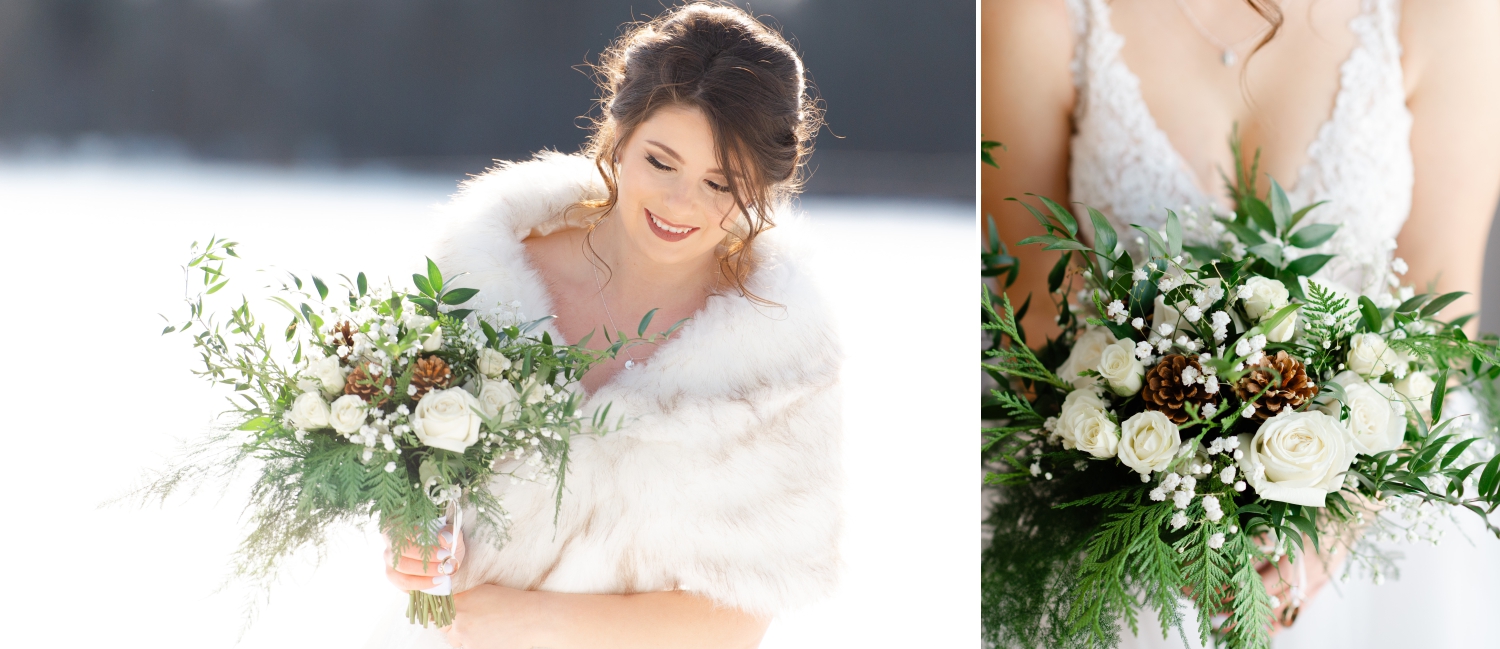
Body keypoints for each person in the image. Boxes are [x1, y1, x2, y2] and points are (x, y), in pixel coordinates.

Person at [984, 0, 1500, 645]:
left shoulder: (1451, 12)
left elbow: (1441, 306)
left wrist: (1339, 514)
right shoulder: (1037, 12)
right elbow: (1034, 295)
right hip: (1120, 513)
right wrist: (1166, 498)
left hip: (1377, 518)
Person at [368, 4, 842, 648]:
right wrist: (412, 540)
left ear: (762, 185)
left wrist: (533, 621)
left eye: (720, 183)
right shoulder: (481, 276)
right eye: (661, 162)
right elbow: (410, 477)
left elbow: (741, 618)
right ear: (620, 135)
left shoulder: (781, 360)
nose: (680, 203)